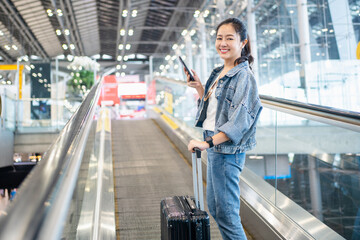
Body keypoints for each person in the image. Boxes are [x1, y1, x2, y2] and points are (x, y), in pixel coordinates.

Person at [184, 18, 262, 240]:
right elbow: (213, 110)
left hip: (227, 151)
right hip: (215, 146)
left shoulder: (244, 77)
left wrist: (206, 143)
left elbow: (238, 123)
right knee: (217, 210)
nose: (223, 43)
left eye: (229, 38)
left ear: (243, 42)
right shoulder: (219, 71)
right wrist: (200, 87)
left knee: (227, 215)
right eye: (219, 38)